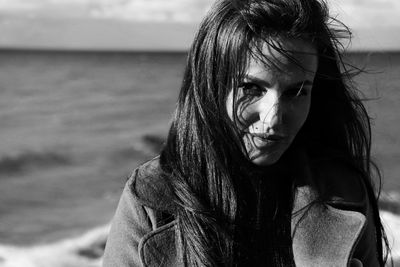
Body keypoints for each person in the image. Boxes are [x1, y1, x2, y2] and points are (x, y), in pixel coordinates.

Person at [103, 0, 390, 266]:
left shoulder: (346, 192)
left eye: (297, 92)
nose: (274, 116)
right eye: (251, 88)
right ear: (210, 85)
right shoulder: (149, 201)